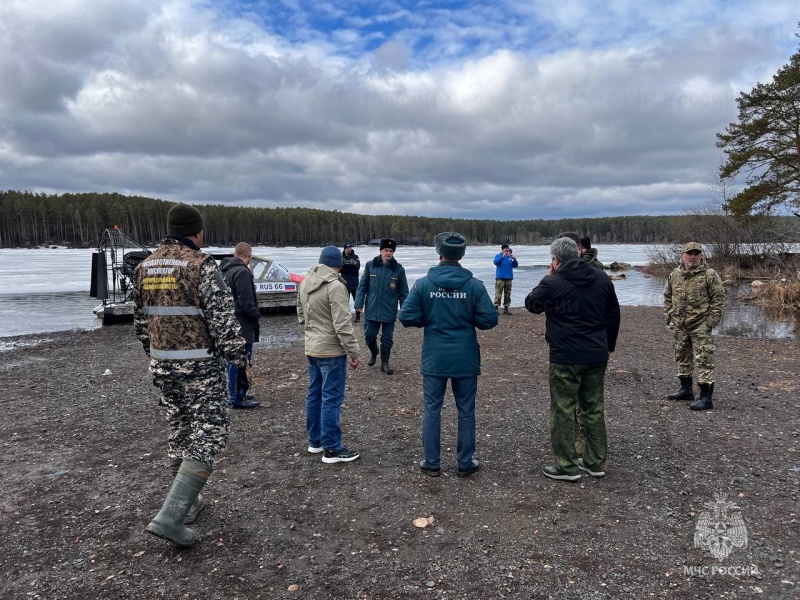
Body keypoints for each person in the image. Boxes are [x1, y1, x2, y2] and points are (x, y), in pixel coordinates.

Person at [134, 203, 247, 546]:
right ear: (198, 233)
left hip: (162, 365)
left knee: (180, 428)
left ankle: (189, 504)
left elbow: (141, 324)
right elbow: (223, 322)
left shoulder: (144, 266)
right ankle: (170, 517)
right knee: (210, 432)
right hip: (199, 367)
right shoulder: (201, 266)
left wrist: (157, 356)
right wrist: (240, 360)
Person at [399, 232, 498, 478]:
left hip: (435, 355)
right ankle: (465, 461)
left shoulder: (423, 284)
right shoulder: (474, 285)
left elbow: (406, 316)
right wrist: (467, 318)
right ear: (461, 255)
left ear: (439, 253)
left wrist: (430, 320)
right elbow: (489, 319)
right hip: (464, 355)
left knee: (432, 409)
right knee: (465, 410)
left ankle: (432, 461)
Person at [525, 237, 620, 482]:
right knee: (593, 408)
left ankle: (567, 466)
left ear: (555, 260)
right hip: (596, 353)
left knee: (563, 409)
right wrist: (609, 345)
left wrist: (547, 276)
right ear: (577, 254)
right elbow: (613, 314)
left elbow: (532, 304)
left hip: (566, 356)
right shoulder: (601, 277)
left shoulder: (553, 281)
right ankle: (594, 461)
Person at [298, 246, 362, 463]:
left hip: (313, 347)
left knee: (315, 395)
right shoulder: (335, 286)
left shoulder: (306, 282)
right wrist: (354, 352)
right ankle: (332, 448)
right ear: (339, 264)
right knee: (331, 398)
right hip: (331, 351)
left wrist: (312, 332)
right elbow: (342, 324)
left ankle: (315, 441)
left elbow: (300, 314)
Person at [664, 242, 725, 411]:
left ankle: (706, 398)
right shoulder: (675, 274)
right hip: (679, 325)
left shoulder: (709, 275)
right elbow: (668, 296)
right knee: (682, 356)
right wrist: (669, 316)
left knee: (705, 360)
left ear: (701, 256)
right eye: (689, 253)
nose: (693, 257)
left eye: (696, 254)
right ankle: (685, 390)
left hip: (700, 325)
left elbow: (718, 300)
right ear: (683, 255)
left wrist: (710, 322)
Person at [354, 238, 409, 375]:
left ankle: (385, 363)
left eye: (391, 251)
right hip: (372, 310)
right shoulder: (370, 266)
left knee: (387, 339)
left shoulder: (398, 269)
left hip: (389, 311)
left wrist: (406, 310)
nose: (388, 253)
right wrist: (358, 304)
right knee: (369, 336)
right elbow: (362, 287)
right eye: (386, 250)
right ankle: (374, 351)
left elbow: (404, 292)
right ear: (380, 251)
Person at [220, 242, 261, 409]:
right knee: (241, 360)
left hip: (228, 322)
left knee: (234, 360)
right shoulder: (242, 272)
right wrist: (256, 316)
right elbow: (246, 301)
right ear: (249, 256)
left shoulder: (224, 270)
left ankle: (238, 392)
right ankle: (237, 397)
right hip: (242, 324)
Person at [493, 244, 518, 315]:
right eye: (506, 249)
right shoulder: (498, 256)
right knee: (498, 293)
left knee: (507, 294)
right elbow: (496, 262)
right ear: (503, 249)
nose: (507, 250)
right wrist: (503, 256)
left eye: (508, 249)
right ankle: (496, 309)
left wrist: (514, 259)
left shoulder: (509, 257)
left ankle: (506, 309)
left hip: (509, 278)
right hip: (500, 277)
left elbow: (515, 265)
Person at [341, 243, 361, 321]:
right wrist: (349, 265)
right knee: (344, 300)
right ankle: (345, 316)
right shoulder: (341, 257)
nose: (349, 249)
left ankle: (358, 316)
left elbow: (357, 267)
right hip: (344, 282)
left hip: (354, 281)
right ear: (344, 249)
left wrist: (347, 266)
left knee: (357, 299)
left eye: (350, 248)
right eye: (347, 248)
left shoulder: (355, 257)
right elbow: (339, 269)